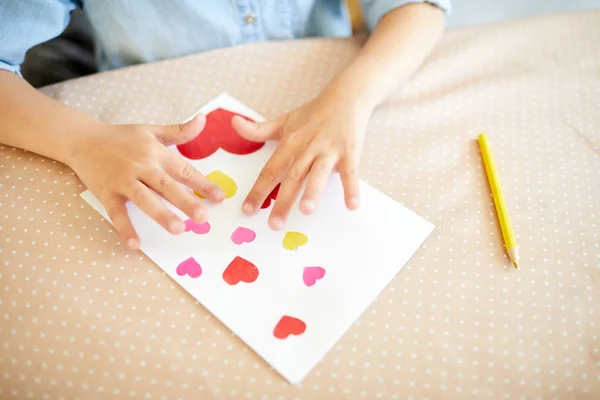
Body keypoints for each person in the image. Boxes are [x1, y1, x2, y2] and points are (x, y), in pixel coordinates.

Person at [0, 0, 450, 249]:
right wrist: (83, 142)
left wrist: (353, 96)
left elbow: (421, 7)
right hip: (142, 122)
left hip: (328, 91)